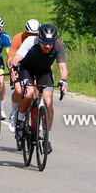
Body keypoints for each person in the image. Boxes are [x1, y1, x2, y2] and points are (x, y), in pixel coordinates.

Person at [8, 23, 68, 154]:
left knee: (47, 101)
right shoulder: (30, 41)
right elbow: (17, 57)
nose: (47, 46)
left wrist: (63, 81)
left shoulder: (58, 45)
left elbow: (63, 68)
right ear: (38, 39)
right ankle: (21, 120)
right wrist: (13, 65)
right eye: (44, 42)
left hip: (44, 72)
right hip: (27, 70)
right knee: (28, 93)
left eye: (50, 42)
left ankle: (46, 137)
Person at [6, 19, 39, 132]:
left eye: (35, 34)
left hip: (35, 67)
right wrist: (11, 70)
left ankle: (35, 117)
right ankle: (15, 114)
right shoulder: (18, 38)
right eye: (30, 34)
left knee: (37, 90)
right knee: (19, 91)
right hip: (20, 67)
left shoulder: (41, 39)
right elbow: (10, 58)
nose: (32, 37)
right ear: (26, 32)